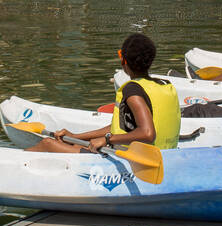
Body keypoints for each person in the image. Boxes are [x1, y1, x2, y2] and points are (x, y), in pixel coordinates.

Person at [30, 33, 180, 153]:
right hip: (162, 156)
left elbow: (147, 133)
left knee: (47, 144)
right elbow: (119, 128)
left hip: (137, 162)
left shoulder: (133, 90)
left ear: (124, 62)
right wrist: (74, 137)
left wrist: (107, 140)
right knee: (75, 145)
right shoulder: (163, 85)